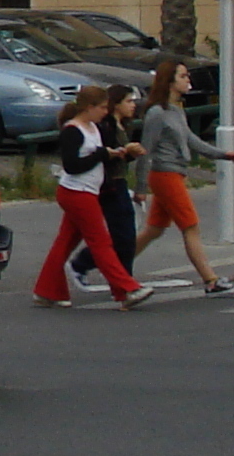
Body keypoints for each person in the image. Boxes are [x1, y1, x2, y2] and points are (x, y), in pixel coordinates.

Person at [35, 83, 149, 309]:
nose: (106, 112)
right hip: (77, 192)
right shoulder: (72, 131)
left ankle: (46, 290)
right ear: (89, 107)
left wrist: (121, 155)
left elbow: (100, 159)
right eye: (102, 107)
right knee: (101, 242)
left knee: (65, 242)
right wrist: (101, 154)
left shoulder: (93, 128)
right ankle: (126, 289)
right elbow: (72, 166)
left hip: (88, 191)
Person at [133, 58, 234, 296]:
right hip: (164, 174)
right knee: (190, 226)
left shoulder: (175, 110)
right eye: (182, 76)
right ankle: (210, 279)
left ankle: (116, 266)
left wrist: (222, 154)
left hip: (174, 173)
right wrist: (140, 187)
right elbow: (145, 150)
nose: (188, 80)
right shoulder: (157, 113)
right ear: (169, 82)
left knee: (154, 229)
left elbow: (191, 140)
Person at [68, 83, 147, 293]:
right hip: (107, 186)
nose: (133, 106)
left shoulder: (122, 126)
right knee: (119, 237)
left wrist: (129, 154)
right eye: (128, 101)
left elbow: (117, 158)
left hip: (117, 182)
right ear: (116, 104)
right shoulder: (105, 127)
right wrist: (121, 151)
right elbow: (101, 156)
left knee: (122, 236)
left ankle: (122, 281)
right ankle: (118, 281)